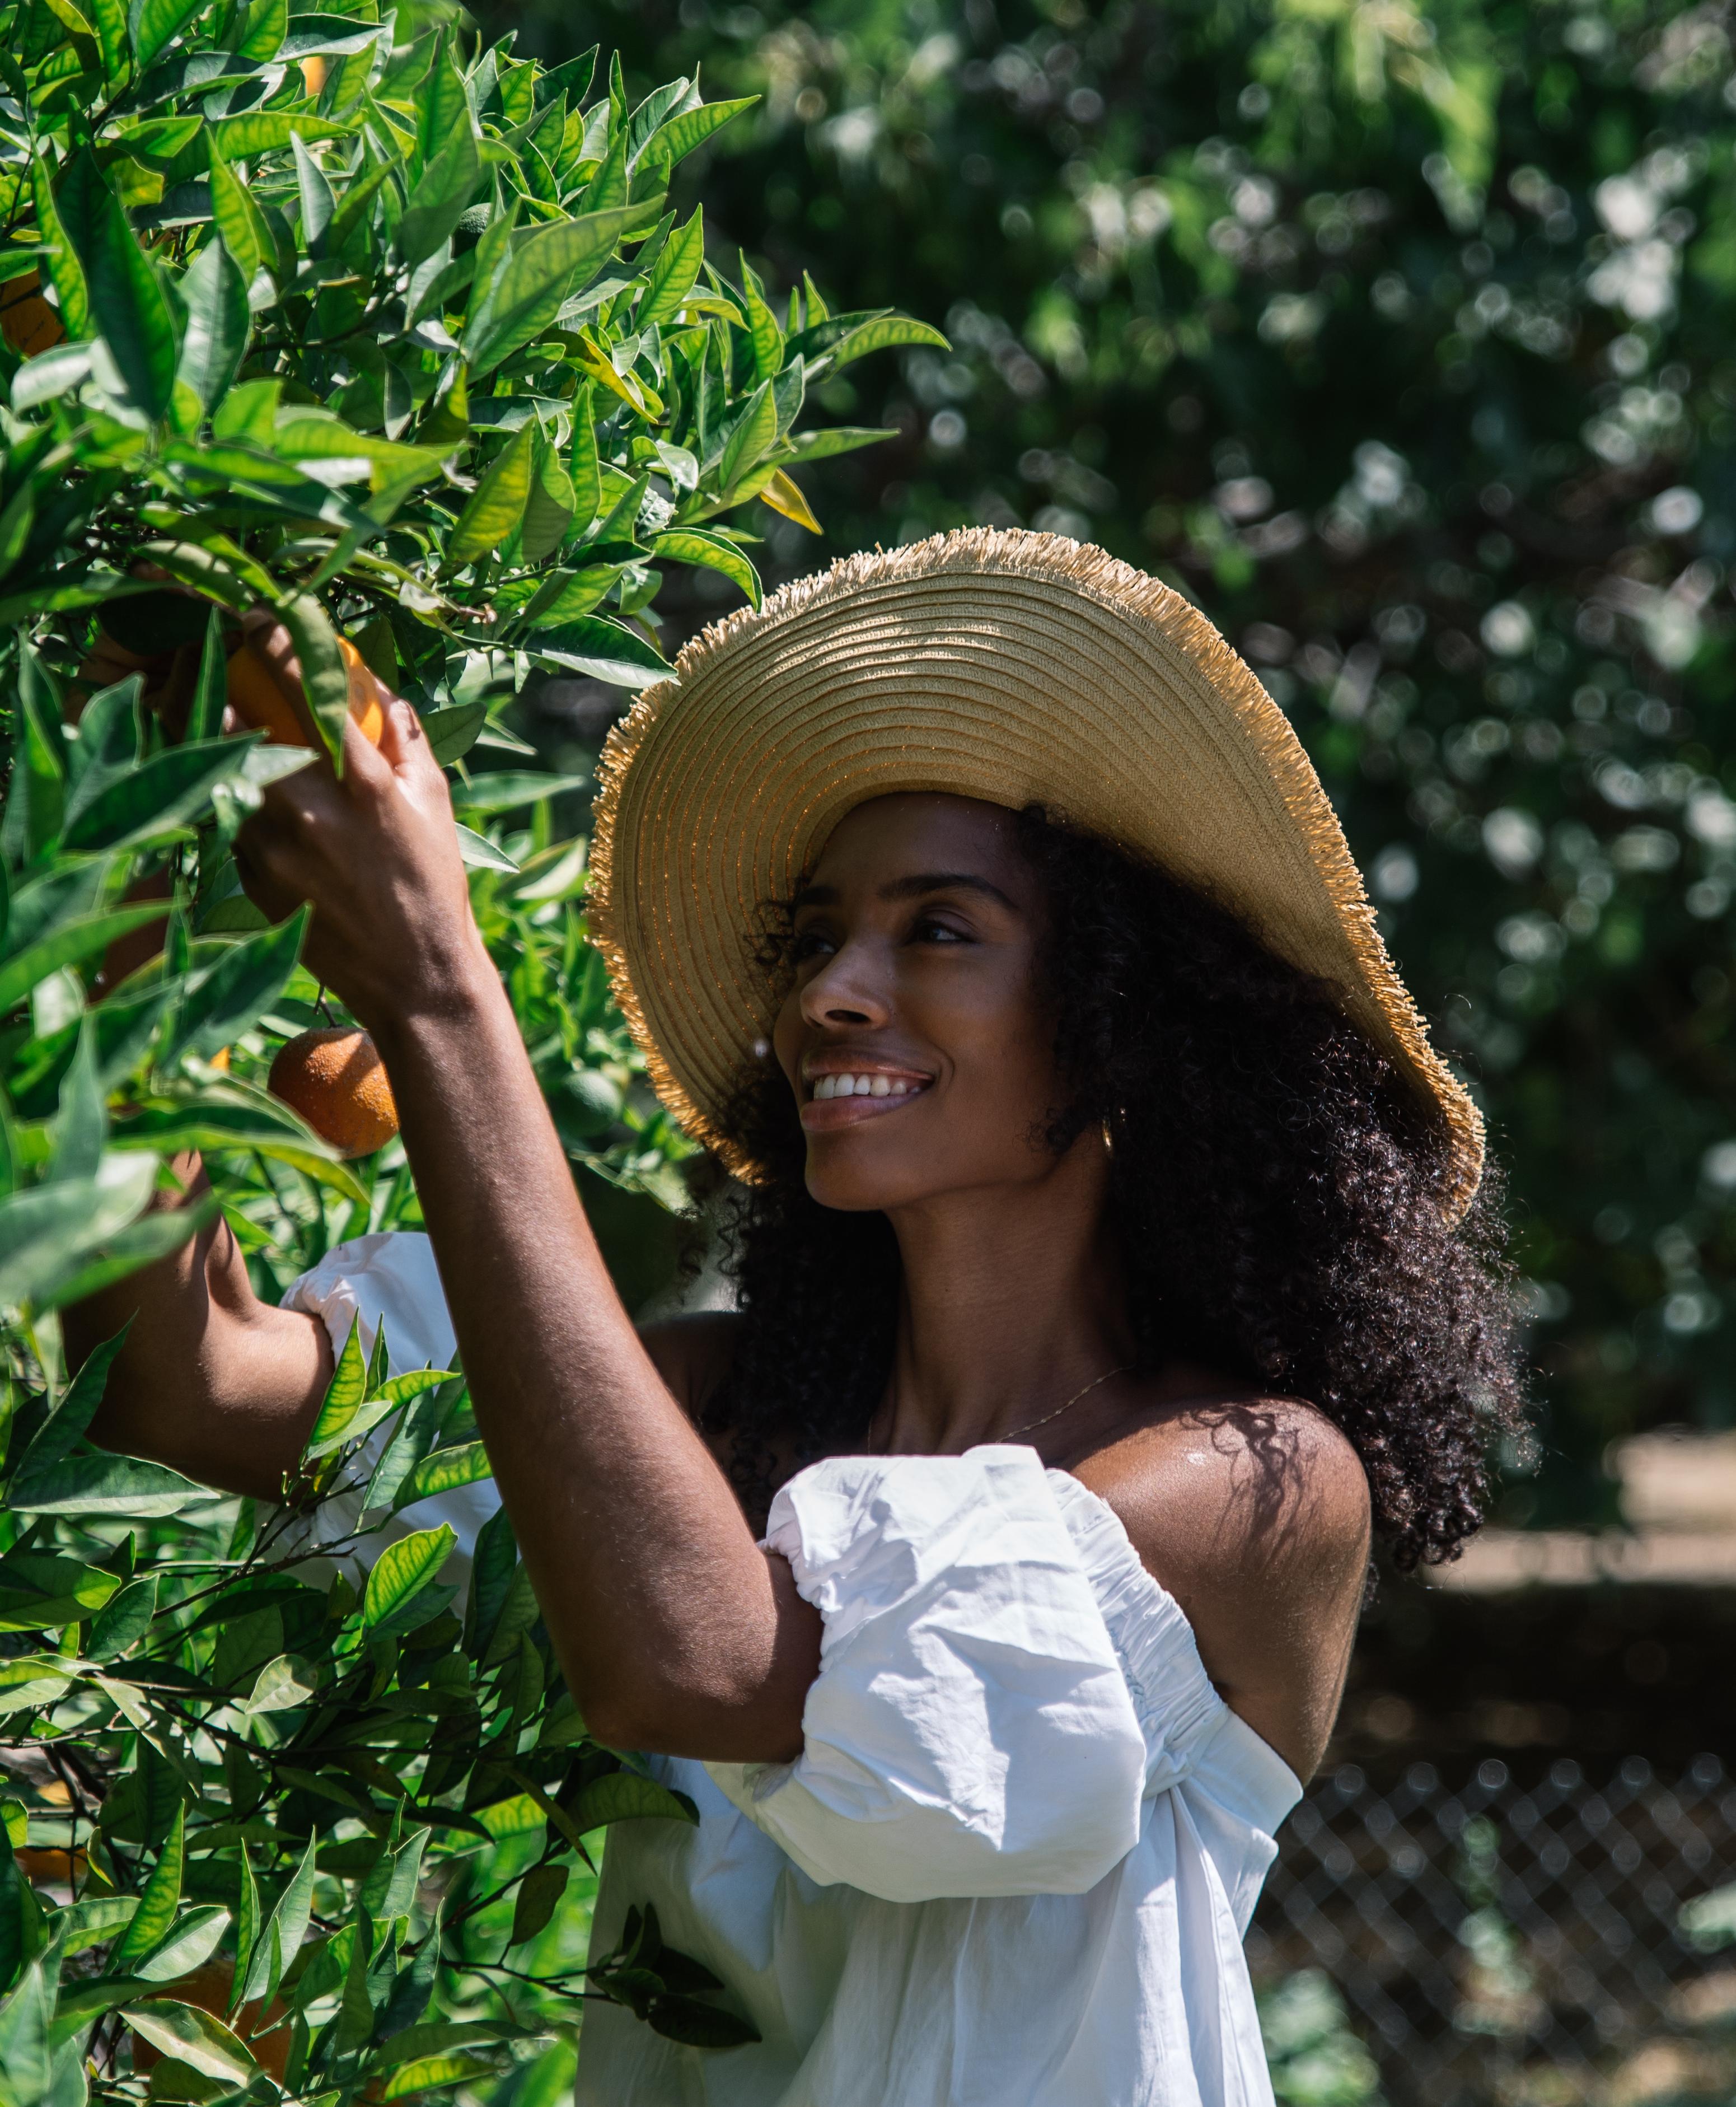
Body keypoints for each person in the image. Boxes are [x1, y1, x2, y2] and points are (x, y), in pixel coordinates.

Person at [68, 529, 1524, 2106]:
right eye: (814, 935)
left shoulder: (1252, 1486)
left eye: (938, 930)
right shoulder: (721, 1411)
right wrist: (116, 894)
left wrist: (439, 996)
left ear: (1122, 1024)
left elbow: (706, 1671)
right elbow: (183, 1388)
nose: (834, 989)